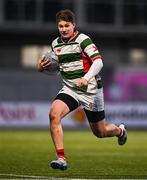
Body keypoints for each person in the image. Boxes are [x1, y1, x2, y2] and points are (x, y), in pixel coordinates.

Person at [37, 9, 127, 171]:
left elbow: (98, 63)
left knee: (100, 132)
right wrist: (42, 68)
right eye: (60, 26)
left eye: (67, 25)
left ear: (73, 25)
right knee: (53, 114)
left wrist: (85, 78)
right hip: (70, 89)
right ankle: (61, 158)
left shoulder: (83, 40)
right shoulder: (55, 44)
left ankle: (119, 131)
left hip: (91, 91)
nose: (63, 29)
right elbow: (57, 69)